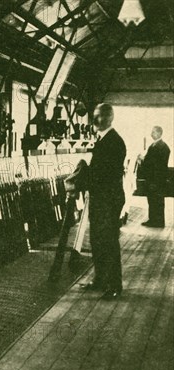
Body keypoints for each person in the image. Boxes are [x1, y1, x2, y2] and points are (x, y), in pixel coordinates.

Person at [80, 103, 127, 300]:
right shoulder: (102, 139)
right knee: (97, 240)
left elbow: (107, 173)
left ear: (109, 118)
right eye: (94, 116)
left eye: (98, 116)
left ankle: (114, 285)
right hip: (101, 197)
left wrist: (85, 174)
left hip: (109, 199)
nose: (94, 120)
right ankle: (100, 279)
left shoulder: (114, 141)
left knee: (108, 241)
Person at [138, 126, 170, 227]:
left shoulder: (161, 147)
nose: (151, 134)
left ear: (158, 133)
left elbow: (154, 163)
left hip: (156, 179)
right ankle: (154, 220)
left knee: (156, 200)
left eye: (153, 132)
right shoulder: (156, 145)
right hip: (154, 178)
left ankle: (157, 221)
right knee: (153, 200)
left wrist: (142, 160)